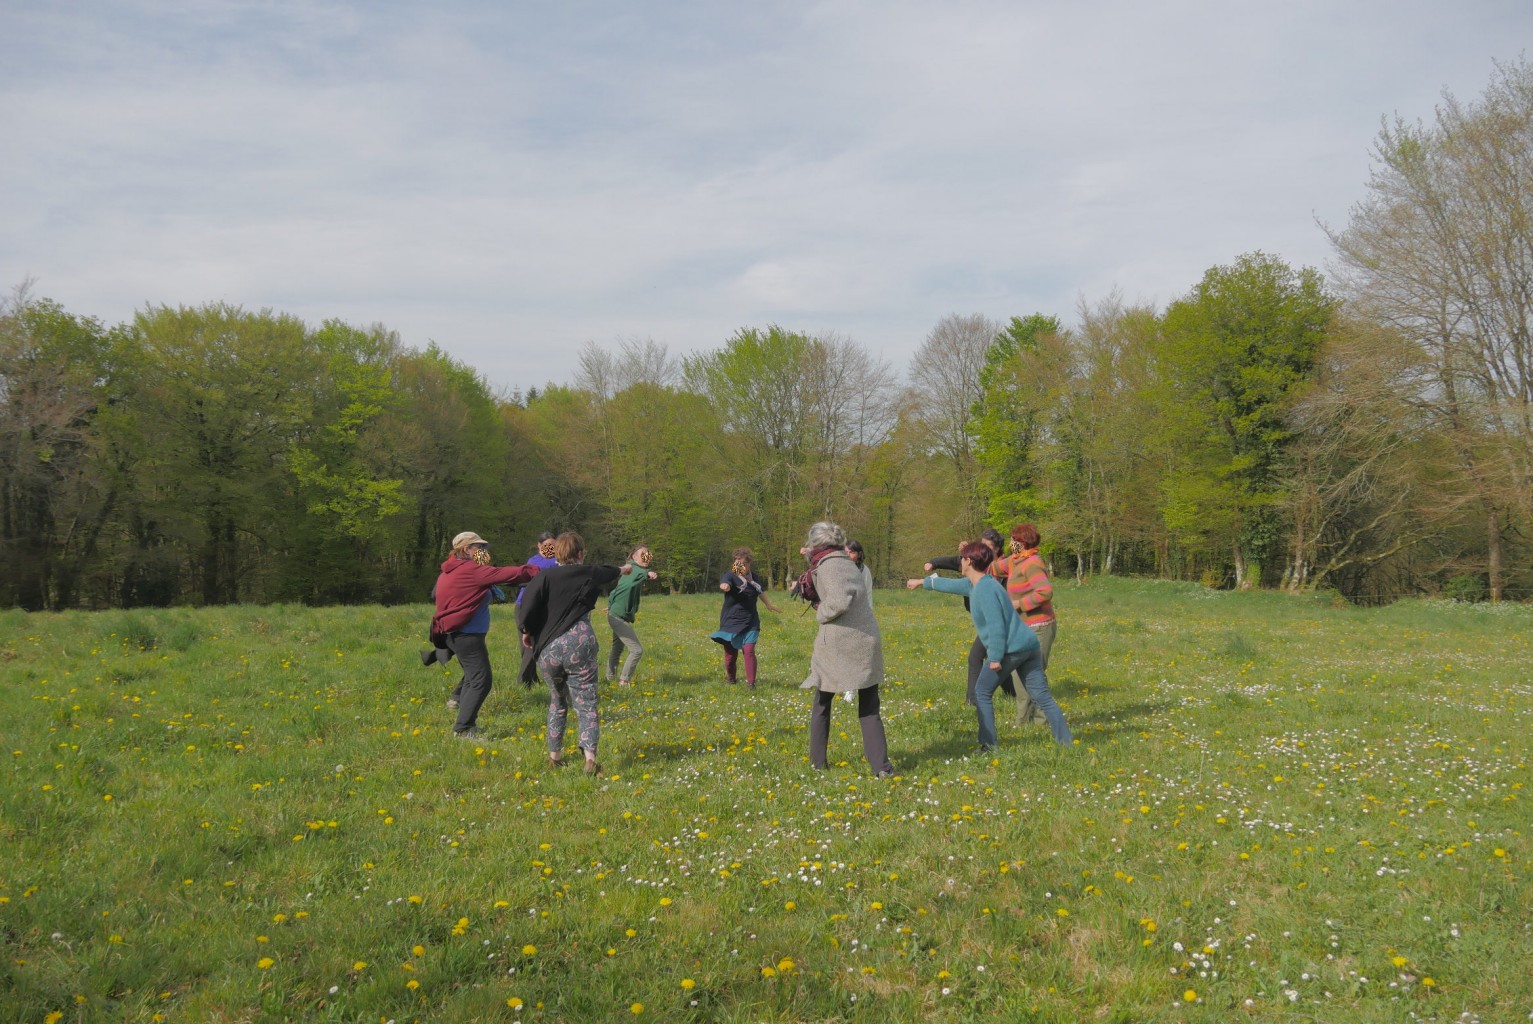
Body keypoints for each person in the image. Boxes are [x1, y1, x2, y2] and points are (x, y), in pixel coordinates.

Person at [907, 540, 1072, 751]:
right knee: (1042, 696)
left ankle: (988, 744)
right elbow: (951, 585)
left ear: (969, 561)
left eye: (962, 559)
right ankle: (1066, 741)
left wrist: (994, 658)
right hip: (1028, 645)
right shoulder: (978, 583)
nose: (960, 562)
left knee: (982, 692)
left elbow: (996, 627)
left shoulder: (985, 590)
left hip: (1011, 648)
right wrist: (922, 582)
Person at [517, 532, 631, 775]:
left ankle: (554, 756)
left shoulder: (543, 576)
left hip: (549, 648)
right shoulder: (588, 572)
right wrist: (625, 568)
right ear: (580, 553)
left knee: (557, 701)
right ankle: (589, 759)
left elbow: (527, 608)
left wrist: (526, 632)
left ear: (556, 553)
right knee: (586, 703)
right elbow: (611, 571)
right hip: (580, 643)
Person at [797, 522, 894, 776]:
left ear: (818, 544)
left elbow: (839, 602)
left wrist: (820, 612)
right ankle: (881, 768)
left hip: (839, 642)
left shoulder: (828, 565)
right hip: (866, 639)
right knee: (870, 705)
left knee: (822, 702)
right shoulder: (848, 562)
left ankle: (817, 763)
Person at [429, 531, 541, 739]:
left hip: (456, 633)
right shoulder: (470, 570)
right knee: (481, 680)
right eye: (479, 547)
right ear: (465, 549)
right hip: (466, 636)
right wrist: (540, 570)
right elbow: (509, 574)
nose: (483, 551)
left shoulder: (449, 570)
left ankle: (463, 720)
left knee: (473, 677)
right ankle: (463, 728)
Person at [922, 528, 1017, 705]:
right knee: (996, 658)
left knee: (976, 657)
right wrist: (933, 563)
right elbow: (955, 563)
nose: (983, 548)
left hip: (999, 622)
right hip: (991, 622)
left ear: (996, 549)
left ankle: (973, 701)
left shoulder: (1005, 568)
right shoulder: (977, 562)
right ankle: (1013, 694)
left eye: (986, 546)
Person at [1005, 523, 1056, 726]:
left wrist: (1018, 604)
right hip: (1022, 628)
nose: (1010, 544)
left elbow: (1044, 592)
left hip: (1040, 627)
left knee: (1034, 674)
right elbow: (991, 567)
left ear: (1022, 543)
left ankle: (1042, 720)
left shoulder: (1032, 563)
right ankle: (1023, 719)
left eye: (1013, 541)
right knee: (1018, 673)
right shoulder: (1014, 562)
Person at [710, 546, 780, 690]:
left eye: (743, 563)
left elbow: (759, 591)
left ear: (749, 564)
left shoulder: (754, 577)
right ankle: (731, 679)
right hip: (731, 621)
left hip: (750, 621)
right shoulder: (730, 576)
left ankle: (751, 684)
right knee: (730, 655)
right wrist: (724, 586)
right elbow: (725, 582)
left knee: (748, 650)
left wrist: (769, 605)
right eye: (737, 563)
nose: (740, 566)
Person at [606, 544, 659, 687]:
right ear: (634, 556)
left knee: (617, 648)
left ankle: (609, 678)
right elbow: (640, 572)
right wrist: (649, 574)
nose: (646, 558)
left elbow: (615, 590)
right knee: (636, 650)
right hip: (617, 617)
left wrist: (611, 604)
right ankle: (624, 681)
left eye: (648, 555)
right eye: (643, 555)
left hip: (616, 614)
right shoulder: (632, 569)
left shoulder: (629, 570)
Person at [515, 532, 560, 685]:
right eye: (548, 545)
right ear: (539, 546)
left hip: (541, 606)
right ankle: (526, 680)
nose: (551, 548)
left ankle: (528, 679)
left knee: (531, 643)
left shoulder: (556, 560)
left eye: (554, 545)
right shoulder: (535, 561)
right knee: (527, 645)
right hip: (525, 606)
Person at [845, 539, 874, 608]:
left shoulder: (864, 571)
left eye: (852, 552)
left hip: (857, 610)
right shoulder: (836, 568)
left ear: (859, 554)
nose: (848, 555)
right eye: (845, 552)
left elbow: (867, 593)